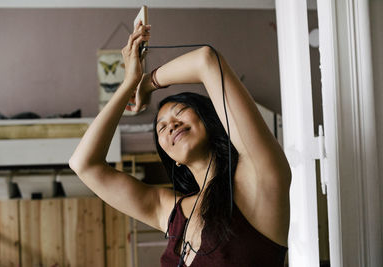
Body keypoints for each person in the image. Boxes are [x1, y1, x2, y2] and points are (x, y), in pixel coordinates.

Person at [69, 21, 291, 267]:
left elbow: (206, 60)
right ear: (172, 157)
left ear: (210, 120)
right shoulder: (171, 211)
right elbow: (84, 165)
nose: (171, 125)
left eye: (180, 112)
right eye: (161, 127)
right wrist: (126, 86)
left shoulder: (259, 181)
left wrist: (147, 82)